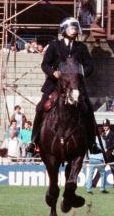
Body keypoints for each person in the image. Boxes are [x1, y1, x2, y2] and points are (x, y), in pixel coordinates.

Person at [30, 17, 97, 152]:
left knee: (89, 109)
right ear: (64, 30)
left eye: (75, 28)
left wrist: (81, 73)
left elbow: (90, 66)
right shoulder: (54, 45)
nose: (75, 30)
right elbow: (45, 64)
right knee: (40, 107)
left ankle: (92, 143)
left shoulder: (81, 47)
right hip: (55, 85)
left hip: (75, 86)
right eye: (72, 28)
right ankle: (34, 140)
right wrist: (53, 72)